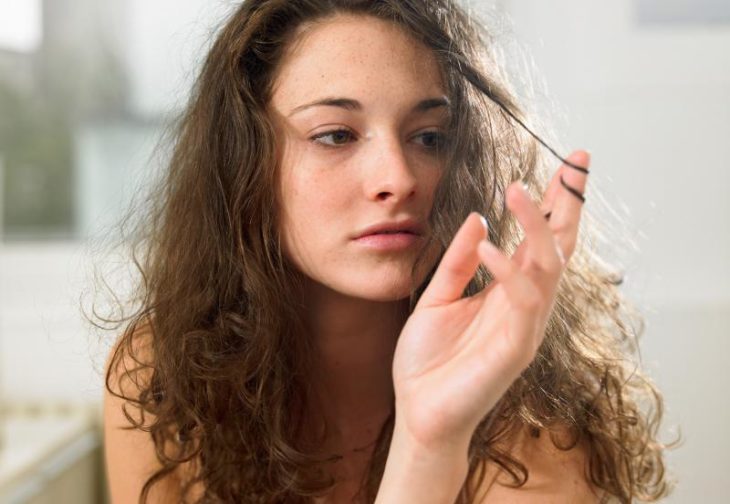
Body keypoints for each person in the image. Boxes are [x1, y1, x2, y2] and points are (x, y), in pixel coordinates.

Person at [101, 0, 672, 502]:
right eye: (336, 135)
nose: (398, 178)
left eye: (429, 137)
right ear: (243, 163)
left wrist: (432, 438)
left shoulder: (532, 398)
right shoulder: (161, 376)